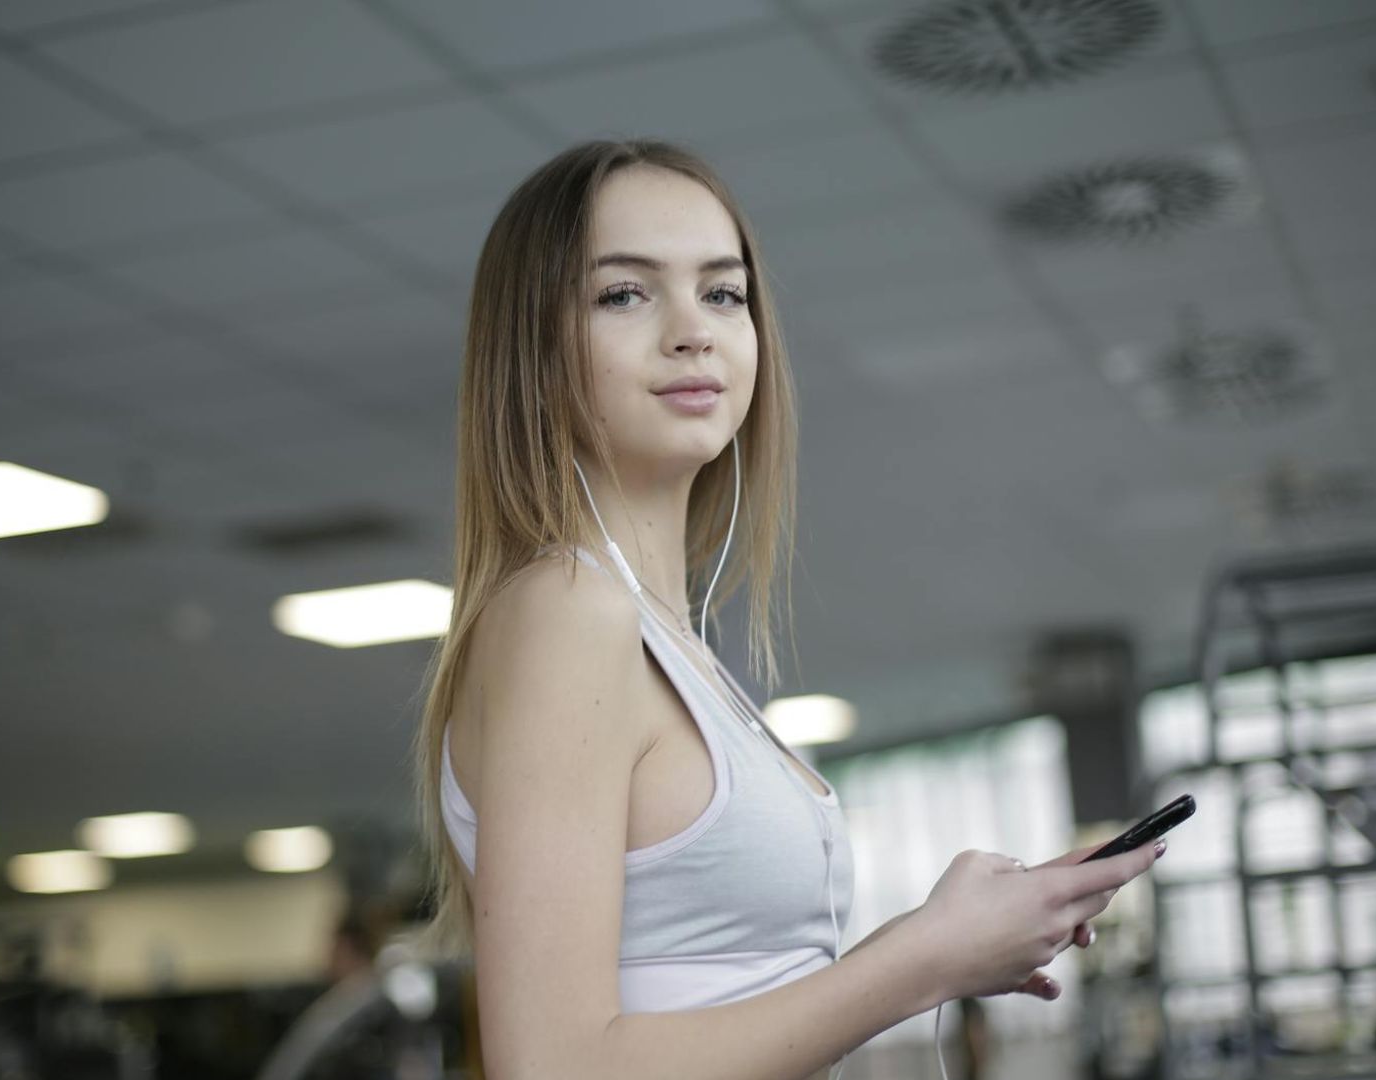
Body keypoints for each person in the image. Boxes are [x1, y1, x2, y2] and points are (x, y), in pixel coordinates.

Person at [410, 139, 1163, 1080]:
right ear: (534, 348)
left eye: (724, 293)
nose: (695, 330)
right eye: (624, 293)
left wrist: (951, 937)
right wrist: (923, 958)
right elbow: (554, 1064)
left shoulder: (664, 639)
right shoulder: (568, 611)